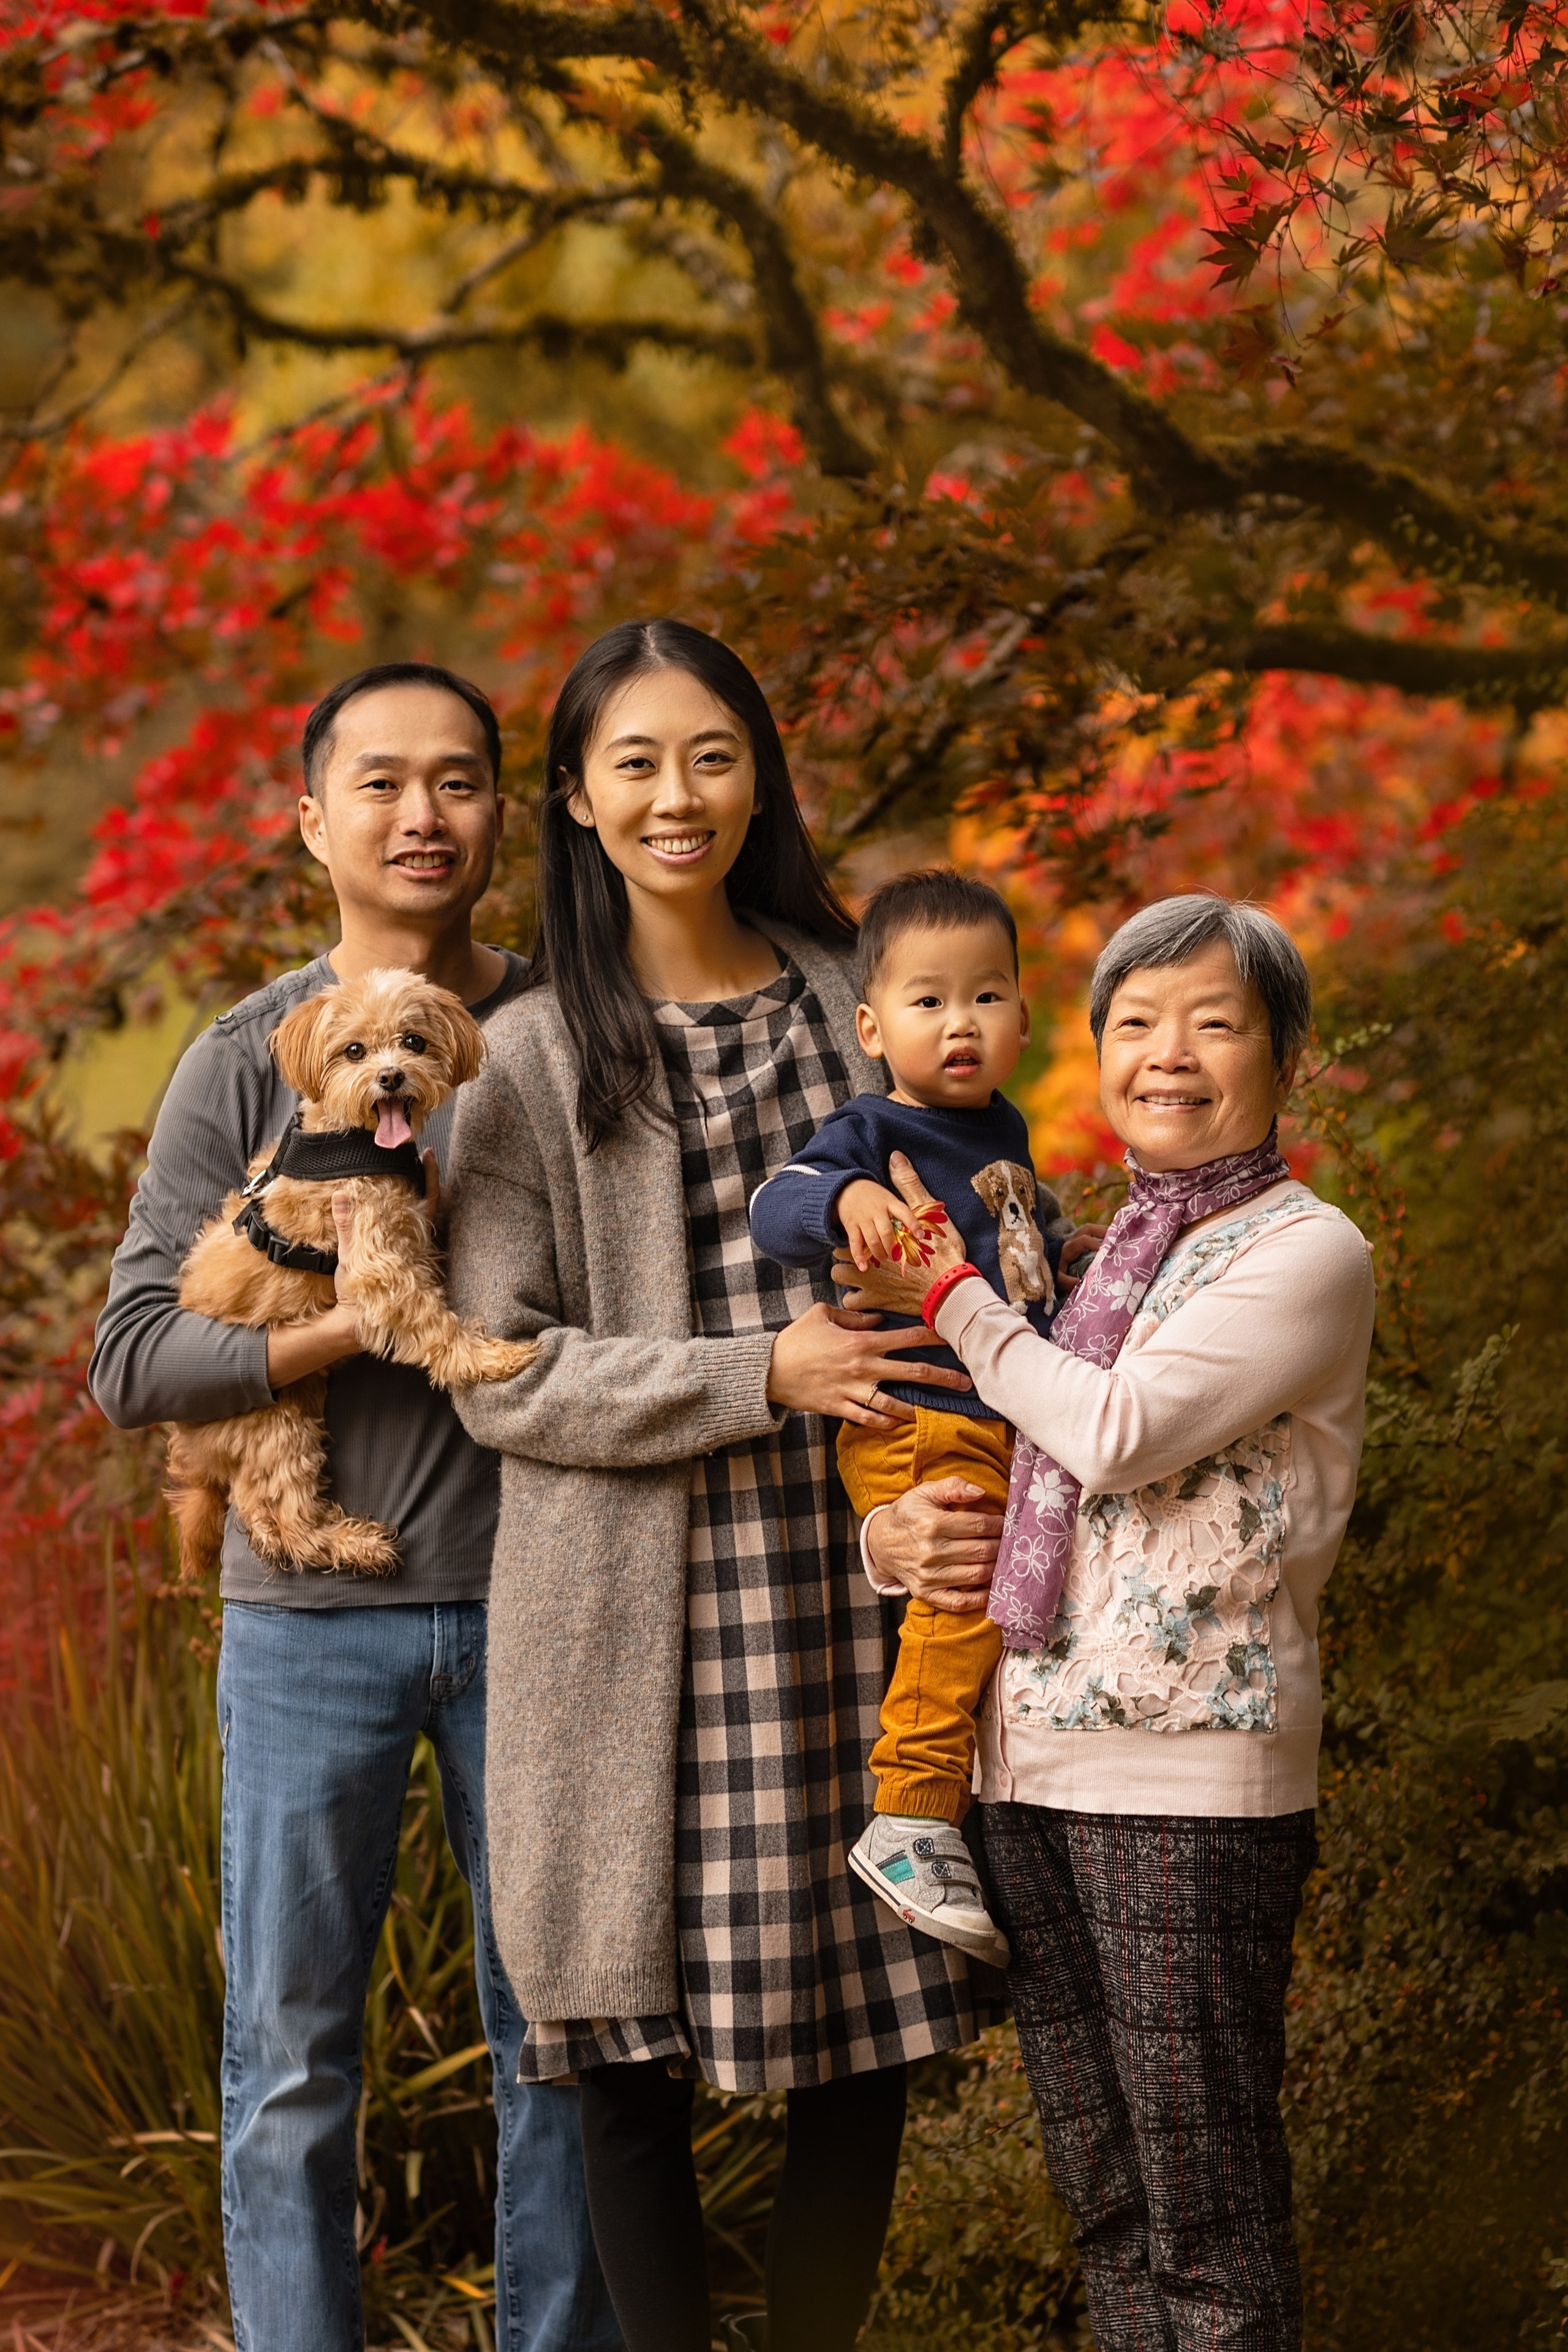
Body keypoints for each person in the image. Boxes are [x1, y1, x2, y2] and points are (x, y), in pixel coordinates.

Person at [443, 620, 1006, 2352]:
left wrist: (946, 1492)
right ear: (578, 799)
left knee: (873, 2025)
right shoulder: (527, 1053)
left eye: (711, 753)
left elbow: (998, 1252)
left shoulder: (868, 992)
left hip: (864, 1576)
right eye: (636, 762)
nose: (677, 795)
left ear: (759, 771)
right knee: (627, 2049)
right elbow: (496, 1364)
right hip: (628, 1619)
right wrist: (751, 1370)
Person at [88, 663, 620, 2352]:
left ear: (503, 819)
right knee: (290, 2055)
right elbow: (133, 1357)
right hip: (308, 1628)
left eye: (459, 783)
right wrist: (346, 1325)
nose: (422, 815)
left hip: (547, 1600)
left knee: (564, 2038)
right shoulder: (245, 1059)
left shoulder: (555, 1039)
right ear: (311, 819)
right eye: (380, 783)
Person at [837, 894, 1376, 2352]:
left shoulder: (1301, 1252)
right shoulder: (1085, 1260)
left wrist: (943, 1292)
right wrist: (895, 1539)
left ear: (1283, 1052)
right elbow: (1012, 1463)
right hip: (1026, 1767)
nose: (1169, 1055)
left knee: (1201, 2209)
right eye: (1134, 1023)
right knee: (1108, 2201)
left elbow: (1116, 1433)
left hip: (1184, 1778)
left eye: (1213, 1022)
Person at [750, 866, 1088, 1970]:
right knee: (960, 1593)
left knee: (985, 1598)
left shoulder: (1006, 1127)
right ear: (871, 1025)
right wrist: (844, 1198)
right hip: (916, 1411)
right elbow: (774, 1206)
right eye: (928, 1001)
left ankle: (959, 1805)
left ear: (1025, 1018)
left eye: (987, 997)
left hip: (990, 1408)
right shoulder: (867, 1126)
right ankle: (910, 1815)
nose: (960, 1024)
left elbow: (1013, 1255)